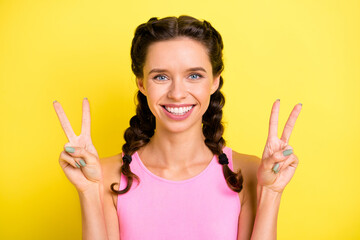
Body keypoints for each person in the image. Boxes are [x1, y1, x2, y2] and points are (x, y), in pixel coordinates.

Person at [53, 15, 302, 240]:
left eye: (194, 75)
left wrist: (271, 192)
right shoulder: (105, 175)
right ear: (141, 83)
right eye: (161, 77)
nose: (177, 93)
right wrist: (87, 192)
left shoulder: (247, 172)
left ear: (215, 81)